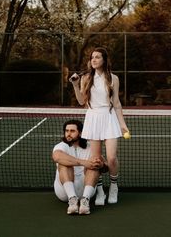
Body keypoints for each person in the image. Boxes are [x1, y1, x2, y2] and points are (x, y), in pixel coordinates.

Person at [69, 47, 129, 204]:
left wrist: (123, 125)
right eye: (92, 57)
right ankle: (100, 191)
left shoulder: (113, 79)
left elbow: (116, 103)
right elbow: (82, 101)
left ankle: (114, 187)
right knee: (96, 159)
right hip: (92, 117)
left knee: (111, 158)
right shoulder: (86, 78)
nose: (93, 60)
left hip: (109, 118)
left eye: (97, 57)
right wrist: (75, 85)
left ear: (104, 60)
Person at [52, 119, 107, 215]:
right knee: (64, 164)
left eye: (72, 131)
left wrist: (100, 164)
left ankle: (85, 202)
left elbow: (106, 167)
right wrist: (83, 163)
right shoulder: (61, 146)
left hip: (86, 189)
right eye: (66, 131)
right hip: (64, 192)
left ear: (80, 133)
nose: (68, 134)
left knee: (93, 165)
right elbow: (57, 156)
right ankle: (72, 200)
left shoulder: (91, 147)